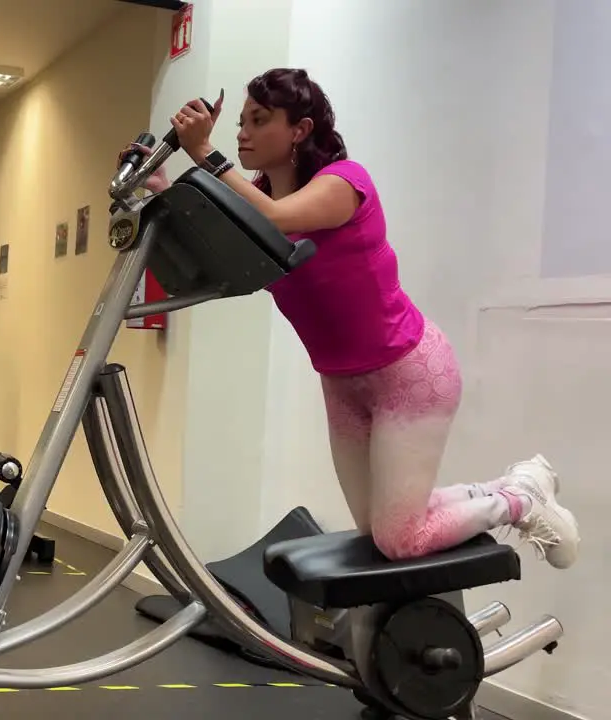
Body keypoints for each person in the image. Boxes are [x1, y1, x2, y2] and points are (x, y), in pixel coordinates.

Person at [133, 68, 579, 567]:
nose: (242, 133)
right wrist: (159, 190)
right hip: (342, 383)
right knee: (379, 528)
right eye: (240, 122)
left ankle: (519, 501)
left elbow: (278, 220)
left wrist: (203, 154)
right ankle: (507, 486)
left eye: (259, 120)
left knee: (399, 539)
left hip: (408, 373)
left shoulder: (344, 182)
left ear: (299, 130)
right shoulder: (254, 196)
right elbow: (214, 255)